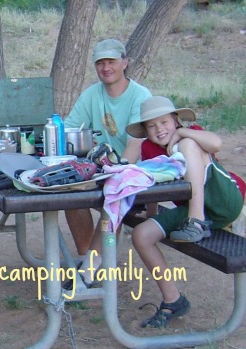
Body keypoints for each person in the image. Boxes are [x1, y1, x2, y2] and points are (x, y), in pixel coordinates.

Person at [125, 96, 245, 328]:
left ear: (176, 120)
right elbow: (154, 183)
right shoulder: (149, 148)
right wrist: (151, 214)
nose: (159, 129)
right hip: (192, 210)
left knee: (187, 146)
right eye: (152, 125)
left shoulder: (192, 134)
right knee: (142, 235)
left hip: (225, 200)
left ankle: (196, 221)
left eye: (164, 122)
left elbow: (216, 143)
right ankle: (173, 299)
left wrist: (183, 134)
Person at [63, 39, 152, 287]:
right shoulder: (92, 94)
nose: (106, 68)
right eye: (100, 63)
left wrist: (114, 171)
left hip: (134, 170)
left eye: (111, 61)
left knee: (115, 193)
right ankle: (88, 258)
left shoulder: (140, 96)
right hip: (102, 168)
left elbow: (136, 145)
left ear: (125, 63)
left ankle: (90, 267)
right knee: (70, 193)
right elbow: (69, 130)